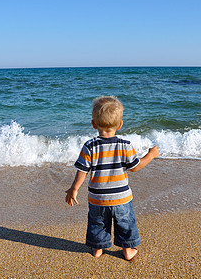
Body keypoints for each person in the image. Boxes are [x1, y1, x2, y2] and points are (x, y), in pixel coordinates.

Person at [65, 95, 159, 261]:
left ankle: (97, 249)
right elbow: (135, 167)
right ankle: (128, 250)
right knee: (125, 223)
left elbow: (82, 171)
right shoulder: (125, 145)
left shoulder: (90, 146)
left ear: (93, 124)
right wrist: (150, 155)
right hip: (121, 198)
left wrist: (74, 189)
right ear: (120, 124)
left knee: (98, 224)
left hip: (97, 199)